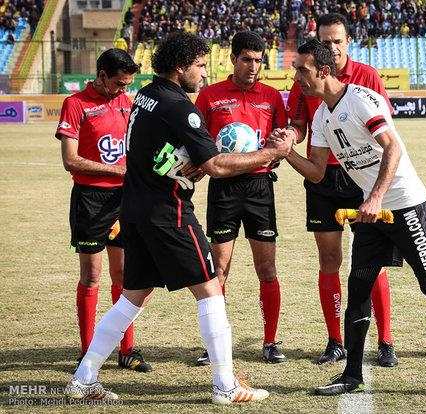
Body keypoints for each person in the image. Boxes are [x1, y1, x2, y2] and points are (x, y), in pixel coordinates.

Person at [64, 32, 293, 404]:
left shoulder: (145, 97)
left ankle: (84, 378)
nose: (204, 73)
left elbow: (163, 157)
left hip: (135, 210)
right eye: (200, 65)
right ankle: (225, 386)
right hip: (168, 213)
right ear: (180, 67)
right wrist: (270, 151)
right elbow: (217, 165)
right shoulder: (178, 106)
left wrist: (186, 168)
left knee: (131, 298)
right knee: (211, 289)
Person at [282, 38, 426, 400]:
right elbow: (318, 173)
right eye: (295, 71)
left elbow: (393, 147)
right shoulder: (321, 114)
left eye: (302, 70)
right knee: (359, 286)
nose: (297, 78)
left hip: (405, 203)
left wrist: (374, 196)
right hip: (374, 212)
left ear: (324, 71)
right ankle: (352, 373)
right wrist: (286, 152)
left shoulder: (359, 99)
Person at [287, 13, 397, 367]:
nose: (332, 47)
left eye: (338, 41)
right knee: (329, 260)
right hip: (322, 180)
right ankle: (335, 340)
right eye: (326, 41)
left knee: (374, 263)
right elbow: (299, 126)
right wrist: (287, 139)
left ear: (348, 42)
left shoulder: (367, 77)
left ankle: (386, 340)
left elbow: (386, 131)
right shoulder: (305, 76)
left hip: (361, 178)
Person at [194, 31, 289, 365]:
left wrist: (280, 145)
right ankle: (215, 345)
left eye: (258, 60)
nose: (253, 66)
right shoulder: (209, 96)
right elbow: (197, 141)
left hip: (260, 188)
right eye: (247, 59)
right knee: (219, 269)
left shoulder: (272, 96)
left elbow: (284, 140)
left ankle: (271, 341)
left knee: (267, 267)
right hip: (224, 189)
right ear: (233, 59)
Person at [55, 48, 151, 373]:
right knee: (92, 275)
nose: (123, 90)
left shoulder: (128, 102)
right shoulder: (75, 104)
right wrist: (118, 172)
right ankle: (87, 352)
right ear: (101, 76)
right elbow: (71, 160)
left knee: (124, 276)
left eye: (127, 85)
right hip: (90, 200)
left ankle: (127, 349)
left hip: (124, 201)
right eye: (118, 84)